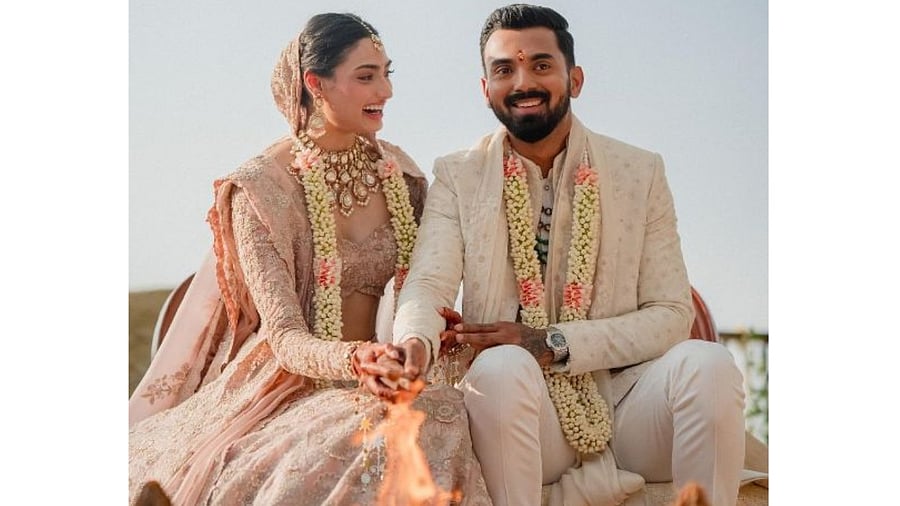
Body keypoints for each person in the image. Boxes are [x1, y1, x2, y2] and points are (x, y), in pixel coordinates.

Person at [390, 4, 747, 505]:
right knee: (499, 368)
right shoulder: (460, 175)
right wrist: (414, 343)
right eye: (504, 70)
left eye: (541, 65)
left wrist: (554, 342)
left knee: (708, 366)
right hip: (529, 414)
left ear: (574, 79)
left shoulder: (637, 172)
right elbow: (428, 284)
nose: (523, 82)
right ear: (485, 88)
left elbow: (670, 315)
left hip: (629, 404)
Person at [128, 13, 490, 506]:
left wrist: (433, 334)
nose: (385, 91)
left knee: (441, 414)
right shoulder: (258, 190)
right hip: (294, 382)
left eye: (387, 73)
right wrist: (353, 360)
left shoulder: (404, 177)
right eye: (366, 76)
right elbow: (285, 337)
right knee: (355, 436)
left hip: (398, 377)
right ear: (314, 84)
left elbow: (426, 288)